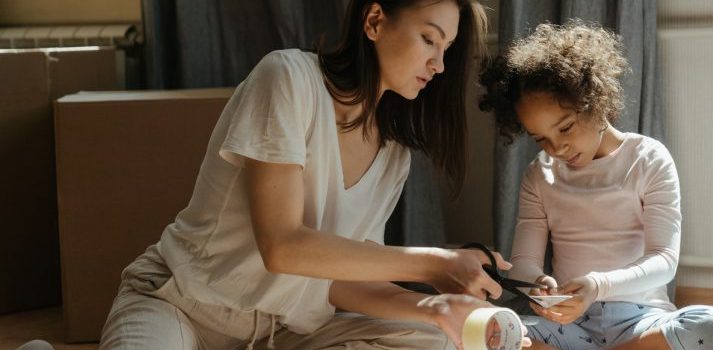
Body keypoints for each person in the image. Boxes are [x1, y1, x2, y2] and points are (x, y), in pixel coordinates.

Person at [99, 1, 531, 349]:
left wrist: (438, 307)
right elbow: (282, 246)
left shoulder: (394, 154)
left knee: (436, 338)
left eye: (446, 50)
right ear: (375, 20)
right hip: (185, 304)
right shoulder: (287, 78)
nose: (438, 65)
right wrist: (435, 261)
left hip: (285, 330)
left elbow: (339, 281)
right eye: (428, 39)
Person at [478, 21, 713, 350]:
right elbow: (524, 262)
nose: (557, 148)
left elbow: (663, 260)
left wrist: (597, 286)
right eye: (541, 138)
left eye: (566, 128)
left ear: (595, 102)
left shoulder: (648, 159)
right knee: (491, 328)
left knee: (711, 327)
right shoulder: (538, 175)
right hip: (569, 325)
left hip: (641, 323)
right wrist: (537, 285)